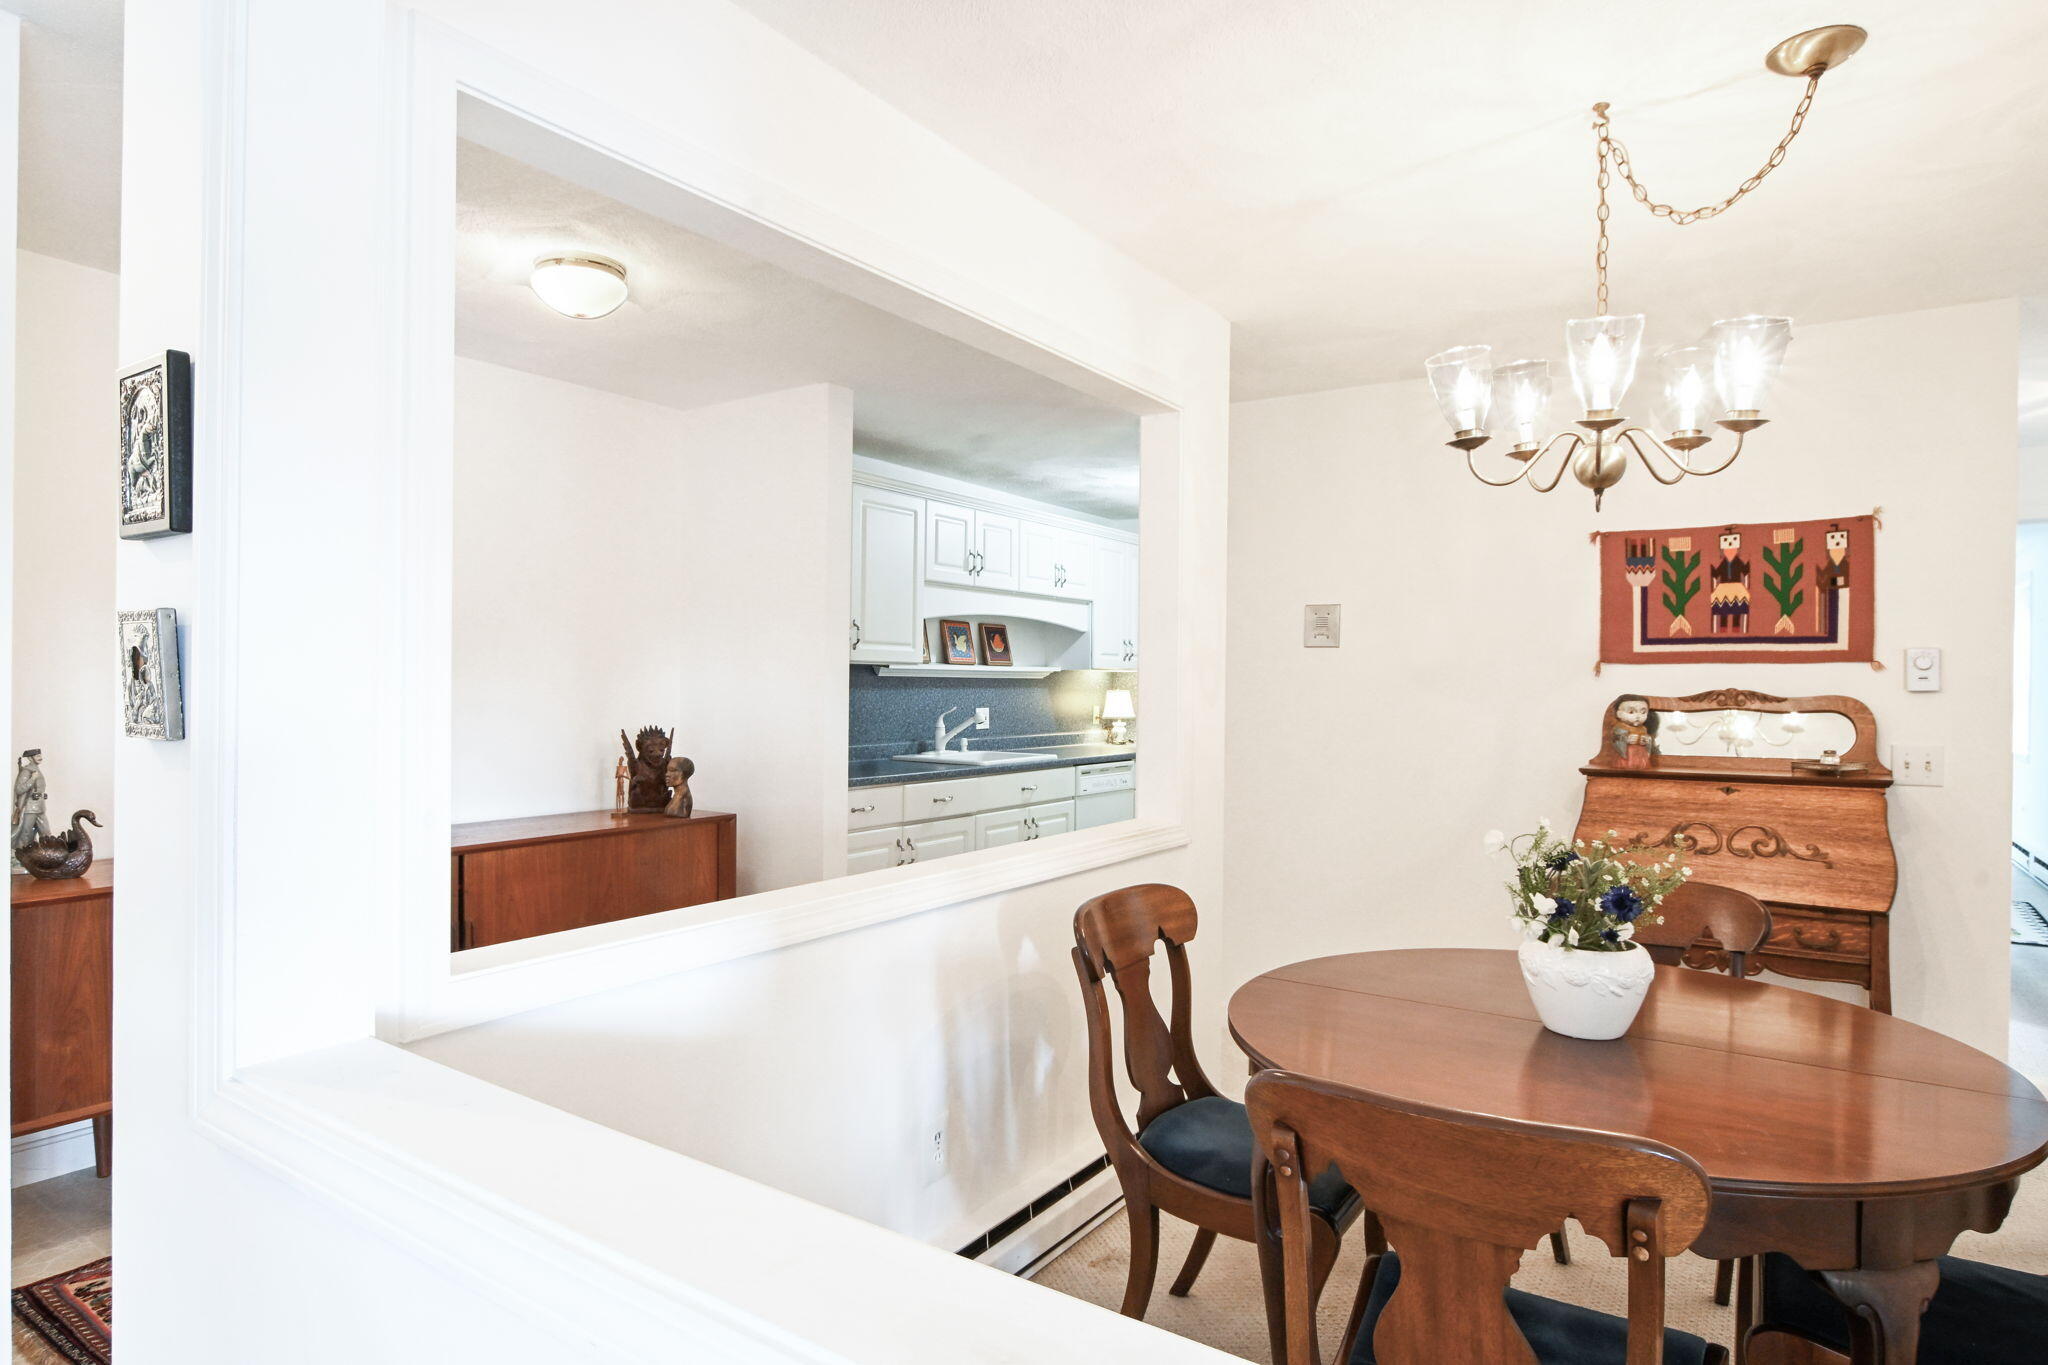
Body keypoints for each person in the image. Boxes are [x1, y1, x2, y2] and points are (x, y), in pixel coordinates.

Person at [1610, 695, 1658, 770]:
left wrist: (1647, 740)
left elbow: (1649, 742)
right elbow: (1615, 740)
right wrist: (1626, 740)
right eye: (1631, 712)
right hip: (1627, 757)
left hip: (1641, 756)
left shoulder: (1643, 729)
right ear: (1619, 714)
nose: (1638, 716)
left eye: (1643, 712)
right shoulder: (1620, 727)